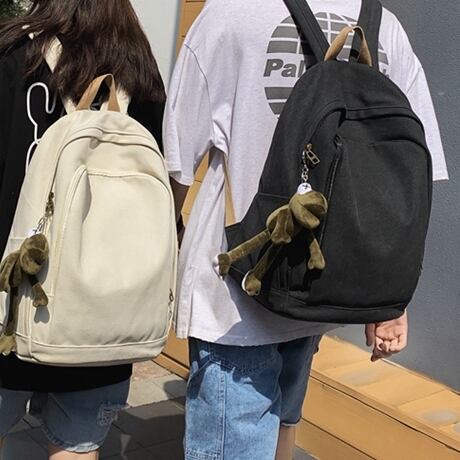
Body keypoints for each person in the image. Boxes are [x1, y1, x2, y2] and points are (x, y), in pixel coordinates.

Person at [164, 0, 449, 459]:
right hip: (322, 287)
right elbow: (410, 180)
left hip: (236, 294)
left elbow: (178, 158)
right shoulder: (386, 28)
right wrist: (391, 298)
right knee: (283, 426)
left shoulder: (229, 14)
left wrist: (165, 245)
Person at [0, 1, 165, 458]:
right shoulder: (141, 73)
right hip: (102, 311)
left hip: (11, 301)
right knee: (76, 448)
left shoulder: (14, 55)